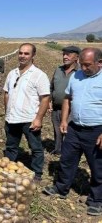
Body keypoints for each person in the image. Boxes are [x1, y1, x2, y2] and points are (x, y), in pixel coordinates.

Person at [43, 48, 102, 216]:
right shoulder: (76, 76)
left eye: (87, 65)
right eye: (81, 64)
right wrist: (63, 120)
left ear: (100, 63)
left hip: (97, 130)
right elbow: (68, 98)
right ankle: (61, 188)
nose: (83, 68)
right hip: (75, 128)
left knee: (98, 167)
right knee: (67, 160)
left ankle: (97, 200)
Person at [3, 43, 50, 181]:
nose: (22, 56)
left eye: (26, 53)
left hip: (29, 119)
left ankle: (37, 173)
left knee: (35, 147)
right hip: (12, 118)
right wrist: (7, 112)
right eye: (21, 53)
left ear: (33, 55)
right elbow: (6, 93)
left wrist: (38, 119)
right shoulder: (12, 73)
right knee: (11, 146)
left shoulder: (39, 75)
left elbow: (45, 98)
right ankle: (9, 169)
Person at [48, 45, 80, 156]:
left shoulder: (80, 72)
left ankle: (69, 153)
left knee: (69, 132)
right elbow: (51, 87)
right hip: (56, 108)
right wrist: (49, 100)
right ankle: (58, 150)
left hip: (72, 109)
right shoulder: (58, 69)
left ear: (76, 57)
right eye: (64, 54)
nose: (65, 57)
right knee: (57, 131)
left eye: (68, 54)